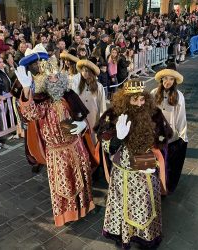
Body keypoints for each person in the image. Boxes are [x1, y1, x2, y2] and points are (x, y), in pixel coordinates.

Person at [14, 51, 96, 227]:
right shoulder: (41, 100)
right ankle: (67, 214)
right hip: (56, 151)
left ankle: (86, 207)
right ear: (44, 79)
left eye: (56, 76)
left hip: (75, 145)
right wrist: (27, 88)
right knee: (64, 183)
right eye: (50, 77)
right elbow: (30, 113)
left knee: (82, 176)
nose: (54, 80)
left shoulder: (69, 95)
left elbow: (82, 116)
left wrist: (82, 125)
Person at [95, 79, 172, 248]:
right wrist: (118, 138)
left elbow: (165, 137)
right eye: (134, 99)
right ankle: (124, 235)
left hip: (146, 169)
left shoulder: (154, 113)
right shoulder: (113, 115)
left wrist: (153, 159)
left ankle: (145, 238)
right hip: (122, 173)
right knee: (123, 206)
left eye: (142, 99)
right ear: (125, 99)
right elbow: (105, 144)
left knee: (144, 206)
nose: (139, 103)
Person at [151, 68, 188, 193]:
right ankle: (154, 185)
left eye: (171, 79)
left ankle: (164, 187)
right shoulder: (154, 93)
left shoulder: (178, 96)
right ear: (161, 79)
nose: (168, 81)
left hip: (170, 137)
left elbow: (181, 117)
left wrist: (183, 136)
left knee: (167, 165)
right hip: (155, 135)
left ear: (174, 81)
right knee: (155, 163)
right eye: (166, 78)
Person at [73, 59, 106, 143]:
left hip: (93, 118)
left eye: (87, 71)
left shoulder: (99, 87)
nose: (84, 73)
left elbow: (102, 106)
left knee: (92, 140)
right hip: (80, 118)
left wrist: (103, 121)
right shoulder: (78, 85)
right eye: (83, 71)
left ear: (92, 73)